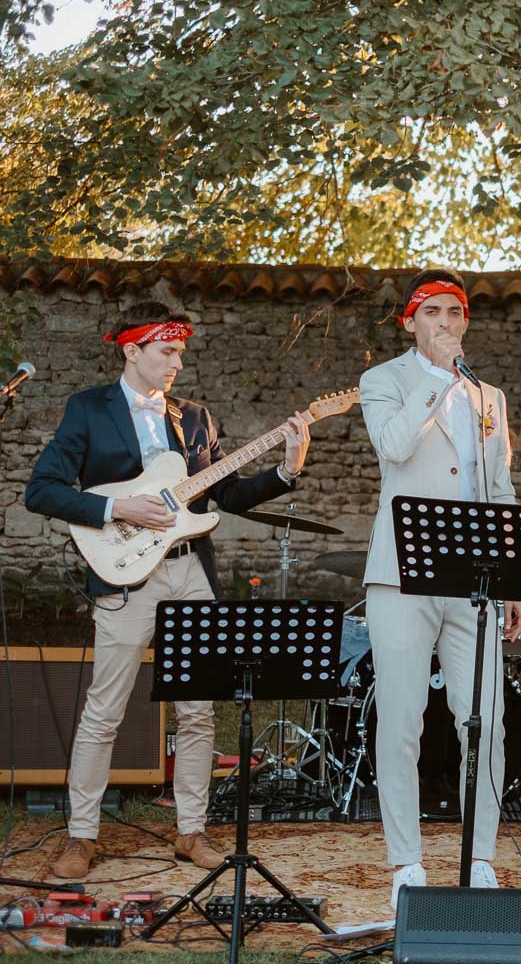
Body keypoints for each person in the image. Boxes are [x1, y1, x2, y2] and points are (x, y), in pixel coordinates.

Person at [25, 301, 312, 880]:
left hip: (189, 571)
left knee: (199, 711)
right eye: (167, 351)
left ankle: (191, 831)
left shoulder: (196, 417)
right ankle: (81, 836)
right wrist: (115, 506)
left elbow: (225, 497)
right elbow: (43, 490)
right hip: (125, 573)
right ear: (131, 350)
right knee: (103, 712)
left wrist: (286, 469)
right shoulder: (89, 410)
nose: (177, 361)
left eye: (180, 351)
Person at [359, 269, 521, 908]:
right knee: (401, 721)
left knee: (484, 721)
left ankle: (479, 855)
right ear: (411, 321)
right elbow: (393, 448)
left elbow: (501, 489)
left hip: (477, 580)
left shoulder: (490, 397)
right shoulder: (384, 381)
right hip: (400, 575)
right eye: (433, 313)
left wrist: (514, 577)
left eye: (455, 313)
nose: (447, 323)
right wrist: (435, 383)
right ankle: (406, 861)